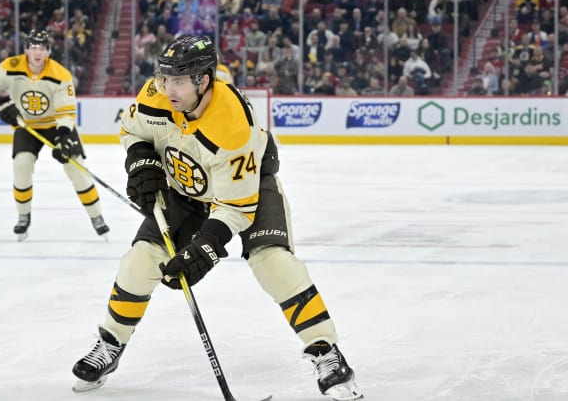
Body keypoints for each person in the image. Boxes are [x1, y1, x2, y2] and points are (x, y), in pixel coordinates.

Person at [70, 34, 363, 400]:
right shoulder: (156, 94)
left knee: (273, 263)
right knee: (140, 260)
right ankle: (111, 344)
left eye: (177, 80)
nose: (167, 87)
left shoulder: (232, 125)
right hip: (185, 190)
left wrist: (205, 246)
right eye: (164, 78)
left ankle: (326, 352)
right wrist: (141, 161)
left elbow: (234, 207)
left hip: (249, 189)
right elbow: (132, 130)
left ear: (202, 80)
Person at [0, 29, 109, 241]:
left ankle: (96, 216)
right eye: (34, 47)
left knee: (76, 167)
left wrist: (64, 137)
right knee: (21, 165)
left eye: (42, 48)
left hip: (57, 125)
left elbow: (66, 110)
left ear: (49, 52)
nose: (37, 52)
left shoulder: (60, 74)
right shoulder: (11, 66)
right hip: (26, 125)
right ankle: (23, 215)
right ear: (26, 49)